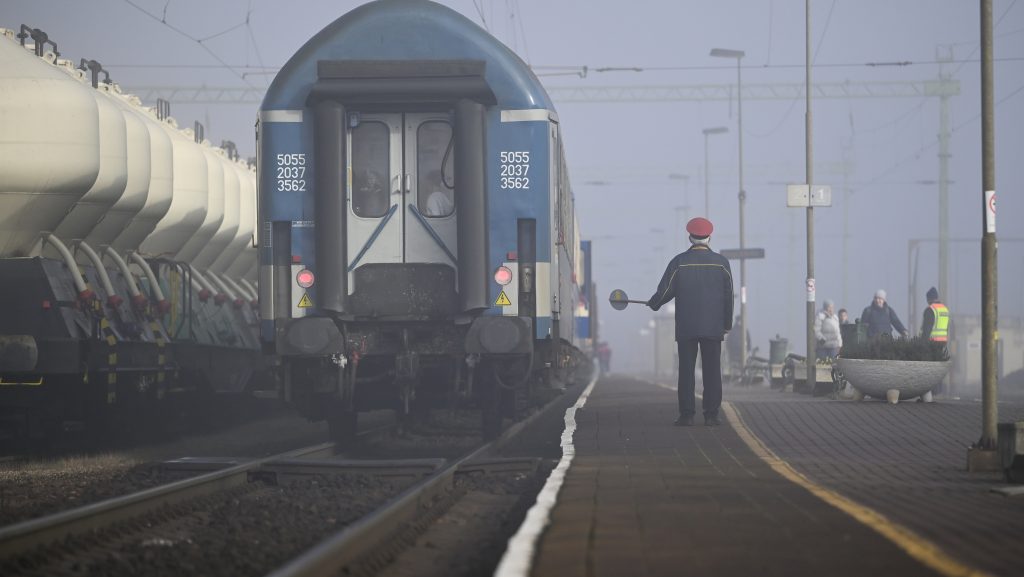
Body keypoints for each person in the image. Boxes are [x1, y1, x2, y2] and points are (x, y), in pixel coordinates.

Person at [648, 217, 733, 427]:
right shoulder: (722, 264)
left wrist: (654, 303)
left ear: (690, 237)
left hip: (686, 326)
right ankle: (711, 415)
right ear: (709, 237)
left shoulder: (679, 262)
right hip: (713, 327)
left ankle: (686, 415)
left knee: (686, 371)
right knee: (712, 371)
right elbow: (728, 297)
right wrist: (727, 324)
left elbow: (666, 291)